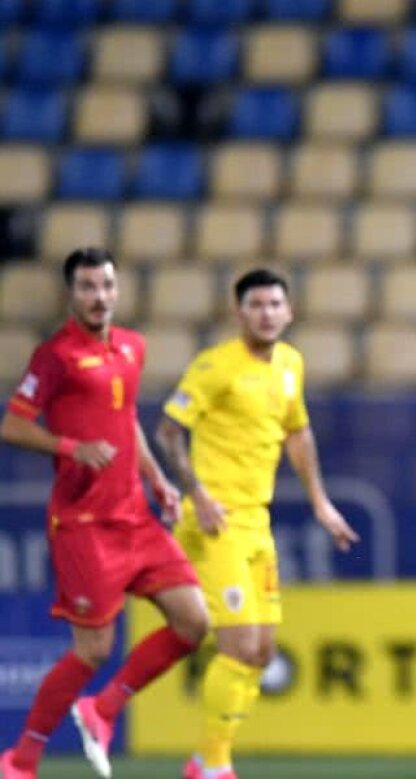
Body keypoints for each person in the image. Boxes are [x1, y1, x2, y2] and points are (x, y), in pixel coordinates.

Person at [0, 247, 209, 779]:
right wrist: (71, 448)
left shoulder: (132, 348)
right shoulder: (55, 357)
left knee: (194, 621)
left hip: (135, 517)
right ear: (72, 294)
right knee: (92, 650)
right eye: (89, 287)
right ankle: (21, 762)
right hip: (84, 525)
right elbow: (13, 426)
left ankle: (103, 709)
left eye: (107, 286)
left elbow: (126, 417)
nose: (100, 297)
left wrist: (157, 477)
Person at [155, 269, 359, 779]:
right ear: (238, 312)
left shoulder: (291, 364)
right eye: (256, 305)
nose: (267, 312)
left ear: (288, 312)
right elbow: (168, 431)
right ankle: (216, 765)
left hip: (256, 524)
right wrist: (196, 494)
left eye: (275, 304)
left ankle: (204, 758)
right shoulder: (215, 366)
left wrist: (320, 502)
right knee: (240, 645)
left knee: (263, 651)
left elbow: (298, 433)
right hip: (215, 520)